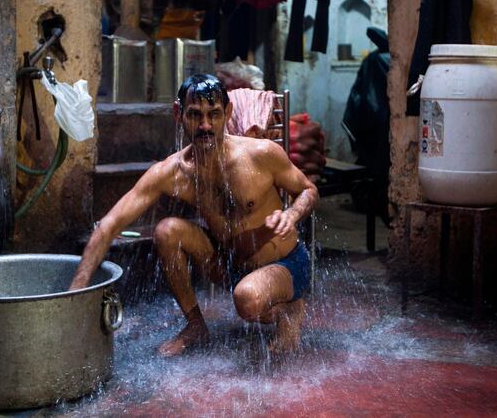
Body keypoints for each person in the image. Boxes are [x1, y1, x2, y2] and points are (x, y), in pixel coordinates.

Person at [70, 74, 318, 356]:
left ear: (228, 113)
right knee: (167, 231)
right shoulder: (173, 172)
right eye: (194, 115)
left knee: (247, 299)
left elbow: (308, 190)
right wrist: (74, 296)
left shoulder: (260, 154)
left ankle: (290, 310)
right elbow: (108, 226)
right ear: (179, 114)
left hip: (284, 265)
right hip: (231, 264)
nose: (205, 125)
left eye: (214, 115)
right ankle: (195, 326)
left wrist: (292, 214)